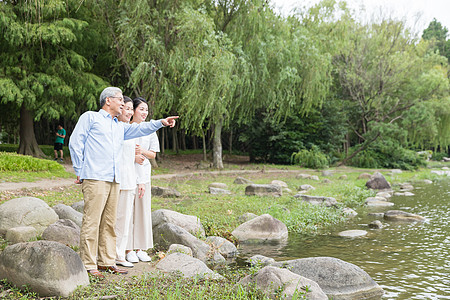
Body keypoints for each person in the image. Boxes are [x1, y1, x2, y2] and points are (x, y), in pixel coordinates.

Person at [69, 87, 178, 279]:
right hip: (95, 177)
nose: (123, 103)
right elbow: (76, 143)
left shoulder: (119, 126)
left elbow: (140, 128)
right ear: (108, 100)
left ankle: (107, 262)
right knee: (92, 221)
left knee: (110, 222)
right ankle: (88, 263)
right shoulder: (90, 118)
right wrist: (80, 170)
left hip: (114, 179)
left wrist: (161, 122)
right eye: (120, 100)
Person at [124, 97, 159, 264]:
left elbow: (153, 154)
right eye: (141, 109)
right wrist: (133, 155)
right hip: (129, 174)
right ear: (133, 111)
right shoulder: (126, 128)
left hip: (144, 175)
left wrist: (142, 152)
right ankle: (128, 249)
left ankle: (141, 248)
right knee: (128, 211)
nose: (144, 113)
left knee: (143, 211)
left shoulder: (150, 130)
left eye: (146, 110)